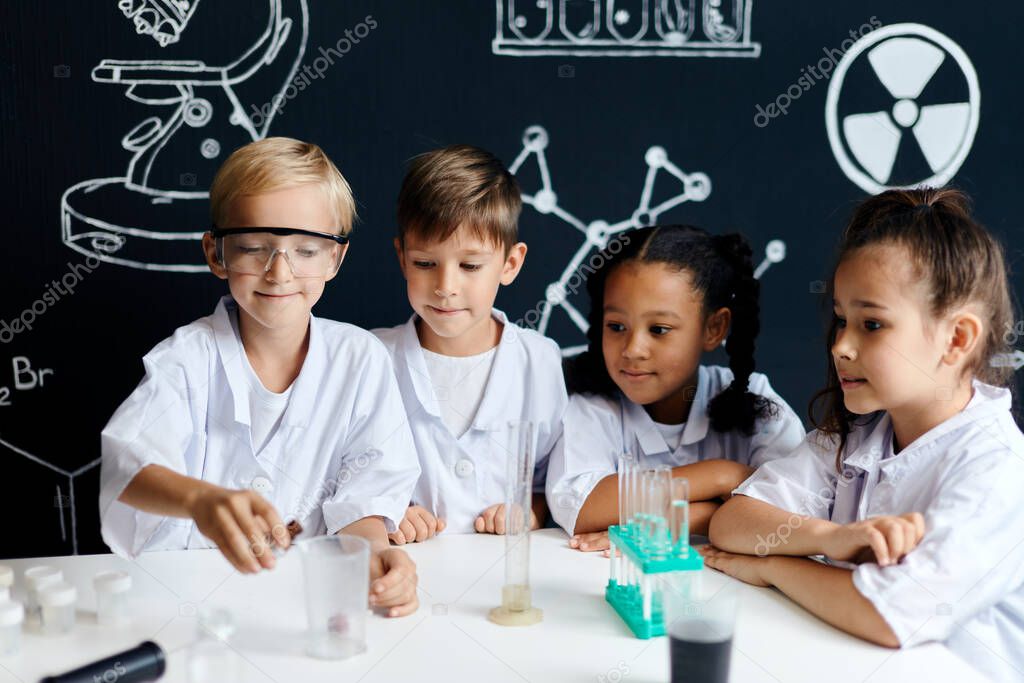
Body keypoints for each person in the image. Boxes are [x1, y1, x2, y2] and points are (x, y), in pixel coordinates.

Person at [706, 188, 1024, 681]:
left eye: (872, 324)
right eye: (841, 320)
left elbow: (891, 615)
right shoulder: (856, 435)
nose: (841, 346)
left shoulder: (998, 468)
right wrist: (834, 538)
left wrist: (772, 566)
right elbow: (733, 523)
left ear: (957, 339)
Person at [100, 137, 421, 616]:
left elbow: (366, 497)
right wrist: (201, 501)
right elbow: (128, 464)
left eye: (306, 251)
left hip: (306, 604)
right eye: (254, 248)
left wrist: (375, 557)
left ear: (335, 258)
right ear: (216, 252)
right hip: (184, 600)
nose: (279, 273)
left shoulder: (360, 359)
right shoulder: (187, 358)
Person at [546, 224, 805, 551]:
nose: (632, 349)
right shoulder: (593, 405)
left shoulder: (755, 402)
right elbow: (583, 508)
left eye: (659, 329)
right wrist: (722, 476)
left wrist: (675, 521)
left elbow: (791, 513)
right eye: (616, 326)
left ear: (713, 328)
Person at [374, 144, 567, 543]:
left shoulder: (540, 360)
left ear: (510, 264)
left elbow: (553, 481)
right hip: (409, 576)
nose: (446, 288)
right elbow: (347, 472)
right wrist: (388, 510)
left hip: (504, 582)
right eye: (425, 264)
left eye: (470, 266)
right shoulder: (372, 357)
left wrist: (528, 512)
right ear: (402, 258)